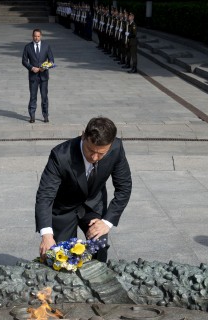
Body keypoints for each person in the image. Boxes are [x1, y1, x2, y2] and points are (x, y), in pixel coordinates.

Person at [35, 117, 132, 263]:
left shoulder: (116, 148)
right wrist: (47, 235)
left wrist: (106, 222)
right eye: (90, 150)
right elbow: (45, 195)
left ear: (110, 145)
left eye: (101, 154)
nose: (94, 157)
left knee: (99, 245)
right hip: (63, 209)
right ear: (83, 136)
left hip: (92, 204)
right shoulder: (60, 155)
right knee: (61, 257)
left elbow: (124, 187)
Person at [22, 28, 54, 123]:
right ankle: (32, 116)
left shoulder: (46, 46)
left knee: (44, 96)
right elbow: (24, 61)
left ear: (41, 36)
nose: (36, 38)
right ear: (32, 36)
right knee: (33, 96)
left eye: (38, 36)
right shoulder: (28, 47)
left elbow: (51, 60)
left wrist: (46, 66)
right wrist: (31, 67)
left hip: (44, 76)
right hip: (33, 76)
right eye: (35, 36)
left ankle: (45, 115)